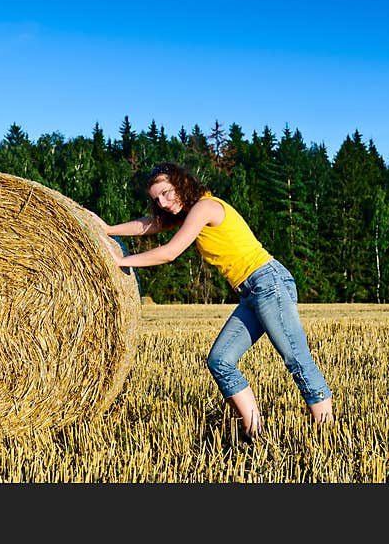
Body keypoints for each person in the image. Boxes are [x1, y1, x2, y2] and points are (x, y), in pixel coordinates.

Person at [88, 162, 333, 439]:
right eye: (157, 199)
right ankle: (255, 435)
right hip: (251, 291)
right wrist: (108, 230)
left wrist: (119, 262)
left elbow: (170, 252)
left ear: (182, 184)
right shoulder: (189, 211)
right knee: (220, 360)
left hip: (269, 283)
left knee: (296, 359)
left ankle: (326, 436)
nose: (164, 202)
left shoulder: (205, 207)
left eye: (167, 193)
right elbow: (152, 224)